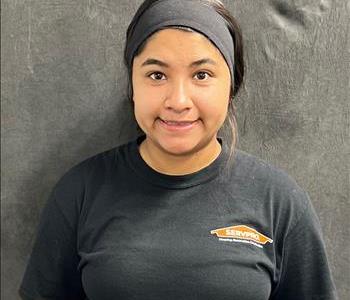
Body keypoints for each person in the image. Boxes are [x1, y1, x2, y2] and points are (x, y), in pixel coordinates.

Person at [19, 0, 338, 299]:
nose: (178, 101)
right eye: (156, 75)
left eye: (202, 75)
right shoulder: (80, 192)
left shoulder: (280, 202)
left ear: (231, 86)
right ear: (133, 85)